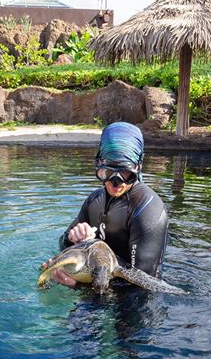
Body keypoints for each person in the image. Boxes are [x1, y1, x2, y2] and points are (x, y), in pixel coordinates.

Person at [46, 121, 169, 288]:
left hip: (136, 300)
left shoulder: (148, 209)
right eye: (107, 172)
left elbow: (143, 284)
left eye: (125, 173)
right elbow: (63, 243)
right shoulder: (94, 201)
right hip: (97, 284)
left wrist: (78, 286)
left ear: (138, 167)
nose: (115, 183)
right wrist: (72, 238)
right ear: (98, 164)